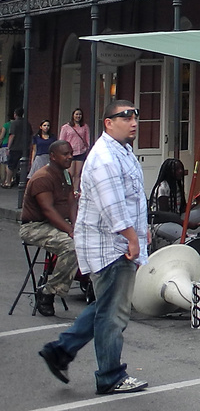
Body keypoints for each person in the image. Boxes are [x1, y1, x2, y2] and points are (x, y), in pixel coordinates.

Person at [38, 100, 150, 396]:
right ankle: (110, 375)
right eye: (125, 116)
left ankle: (60, 350)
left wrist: (142, 230)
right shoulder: (104, 157)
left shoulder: (122, 150)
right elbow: (113, 205)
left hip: (118, 241)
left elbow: (133, 197)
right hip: (110, 246)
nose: (133, 121)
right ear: (108, 123)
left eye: (135, 115)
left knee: (106, 305)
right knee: (113, 314)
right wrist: (133, 237)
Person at [20, 139, 77, 317]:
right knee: (71, 247)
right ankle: (47, 292)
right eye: (65, 154)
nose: (70, 157)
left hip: (57, 223)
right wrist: (69, 230)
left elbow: (71, 202)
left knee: (91, 239)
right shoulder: (42, 177)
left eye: (71, 153)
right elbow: (48, 210)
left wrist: (76, 226)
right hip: (35, 226)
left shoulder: (65, 174)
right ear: (52, 157)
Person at [59, 109, 91, 184]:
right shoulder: (66, 127)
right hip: (70, 152)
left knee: (78, 173)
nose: (78, 116)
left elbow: (87, 139)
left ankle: (76, 191)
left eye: (80, 114)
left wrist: (86, 148)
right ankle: (69, 190)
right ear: (73, 115)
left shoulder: (84, 126)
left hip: (81, 151)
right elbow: (61, 140)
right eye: (76, 114)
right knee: (70, 173)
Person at [8, 107, 32, 190]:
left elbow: (12, 135)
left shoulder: (14, 123)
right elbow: (30, 135)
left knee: (11, 165)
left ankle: (8, 182)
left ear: (15, 114)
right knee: (23, 166)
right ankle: (22, 181)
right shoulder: (27, 123)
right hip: (25, 148)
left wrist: (8, 147)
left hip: (15, 148)